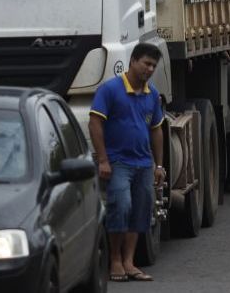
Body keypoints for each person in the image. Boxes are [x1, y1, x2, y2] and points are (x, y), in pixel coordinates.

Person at [89, 43, 166, 282]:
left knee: (141, 210)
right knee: (120, 206)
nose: (150, 69)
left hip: (143, 163)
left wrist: (159, 165)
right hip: (118, 162)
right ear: (133, 61)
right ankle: (114, 260)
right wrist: (103, 159)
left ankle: (129, 262)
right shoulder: (110, 90)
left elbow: (156, 130)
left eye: (153, 65)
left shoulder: (152, 94)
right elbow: (95, 123)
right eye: (146, 63)